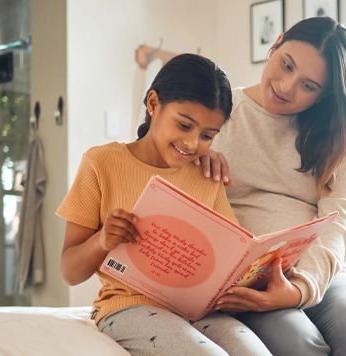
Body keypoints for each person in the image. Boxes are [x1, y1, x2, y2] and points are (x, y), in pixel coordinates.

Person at [197, 17, 346, 355]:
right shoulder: (215, 116)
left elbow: (342, 221)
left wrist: (302, 288)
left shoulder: (341, 135)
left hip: (323, 271)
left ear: (324, 96)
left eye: (308, 85)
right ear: (275, 44)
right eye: (286, 64)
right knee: (297, 342)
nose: (287, 86)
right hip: (249, 278)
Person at [56, 53, 272, 356]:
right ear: (153, 104)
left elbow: (233, 256)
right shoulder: (101, 163)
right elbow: (69, 271)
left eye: (207, 136)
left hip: (200, 311)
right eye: (184, 125)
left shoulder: (206, 174)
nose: (192, 144)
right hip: (129, 307)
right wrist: (102, 240)